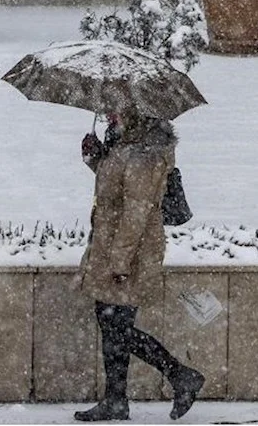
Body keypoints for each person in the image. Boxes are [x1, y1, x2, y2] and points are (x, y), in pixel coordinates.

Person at [75, 110, 204, 422]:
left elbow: (137, 210)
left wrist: (120, 260)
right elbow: (115, 190)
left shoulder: (146, 151)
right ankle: (116, 400)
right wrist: (94, 159)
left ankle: (180, 375)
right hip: (111, 244)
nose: (108, 111)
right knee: (111, 324)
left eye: (116, 105)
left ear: (136, 110)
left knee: (116, 326)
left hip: (132, 250)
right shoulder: (123, 143)